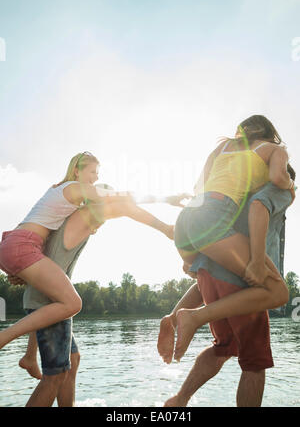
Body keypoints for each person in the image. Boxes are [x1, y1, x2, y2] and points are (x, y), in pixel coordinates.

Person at [7, 186, 187, 407]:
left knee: (72, 360)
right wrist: (165, 223)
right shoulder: (86, 215)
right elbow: (126, 204)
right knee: (53, 377)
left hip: (50, 302)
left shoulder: (68, 221)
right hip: (50, 303)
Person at [0, 152, 175, 351]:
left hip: (14, 243)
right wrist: (168, 201)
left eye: (98, 173)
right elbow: (122, 200)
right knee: (72, 304)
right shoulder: (74, 189)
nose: (96, 177)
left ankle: (29, 355)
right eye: (93, 171)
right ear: (76, 171)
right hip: (23, 244)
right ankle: (5, 336)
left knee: (58, 304)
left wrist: (17, 268)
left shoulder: (58, 192)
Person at [159, 176, 295, 407]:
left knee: (223, 347)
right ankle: (188, 317)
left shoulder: (233, 196)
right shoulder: (273, 191)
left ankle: (179, 399)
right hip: (245, 281)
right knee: (255, 361)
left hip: (210, 270)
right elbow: (259, 207)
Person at [171, 115, 293, 361]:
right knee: (278, 293)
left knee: (201, 274)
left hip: (186, 221)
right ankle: (193, 317)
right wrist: (290, 184)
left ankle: (171, 321)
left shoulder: (223, 147)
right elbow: (278, 178)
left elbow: (198, 187)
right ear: (271, 134)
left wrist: (193, 250)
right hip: (214, 216)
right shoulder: (275, 149)